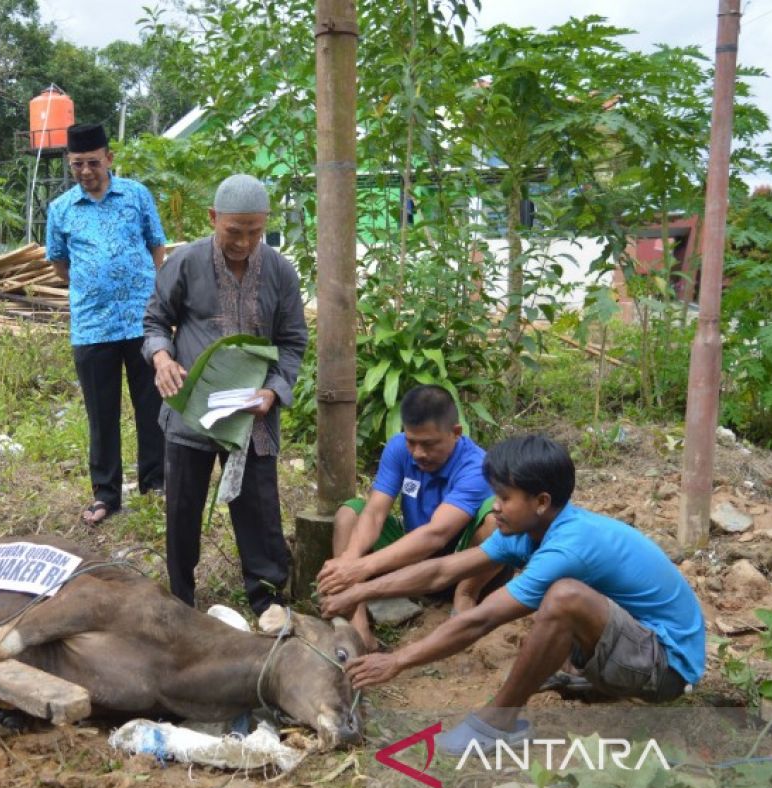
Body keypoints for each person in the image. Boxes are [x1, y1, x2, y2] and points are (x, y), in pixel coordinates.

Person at [320, 435, 705, 756]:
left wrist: (397, 661)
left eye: (504, 498)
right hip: (636, 645)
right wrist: (360, 589)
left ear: (540, 501)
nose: (496, 508)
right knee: (554, 604)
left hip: (667, 668)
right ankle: (584, 679)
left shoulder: (568, 546)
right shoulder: (533, 529)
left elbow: (481, 619)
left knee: (563, 598)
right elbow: (442, 570)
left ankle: (497, 722)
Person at [143, 173, 308, 616]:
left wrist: (273, 391)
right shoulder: (186, 262)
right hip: (193, 408)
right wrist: (162, 359)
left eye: (255, 231)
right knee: (182, 510)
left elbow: (293, 342)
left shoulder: (278, 270)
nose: (244, 241)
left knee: (258, 508)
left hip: (252, 413)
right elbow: (155, 322)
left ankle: (268, 601)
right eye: (234, 230)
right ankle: (180, 601)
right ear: (213, 218)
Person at [46, 122, 167, 525]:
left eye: (93, 162)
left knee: (151, 407)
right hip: (92, 326)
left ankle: (155, 484)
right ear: (69, 163)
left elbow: (156, 246)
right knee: (102, 415)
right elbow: (60, 264)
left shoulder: (136, 195)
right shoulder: (61, 209)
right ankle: (106, 495)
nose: (85, 171)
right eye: (77, 164)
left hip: (141, 322)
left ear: (109, 159)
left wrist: (141, 288)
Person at [317, 385, 501, 649]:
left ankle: (465, 595)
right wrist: (350, 557)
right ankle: (358, 626)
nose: (417, 453)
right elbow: (375, 511)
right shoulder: (398, 449)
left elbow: (437, 535)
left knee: (496, 523)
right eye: (411, 441)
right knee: (349, 513)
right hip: (413, 553)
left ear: (456, 433)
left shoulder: (477, 466)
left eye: (428, 444)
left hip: (460, 559)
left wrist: (362, 567)